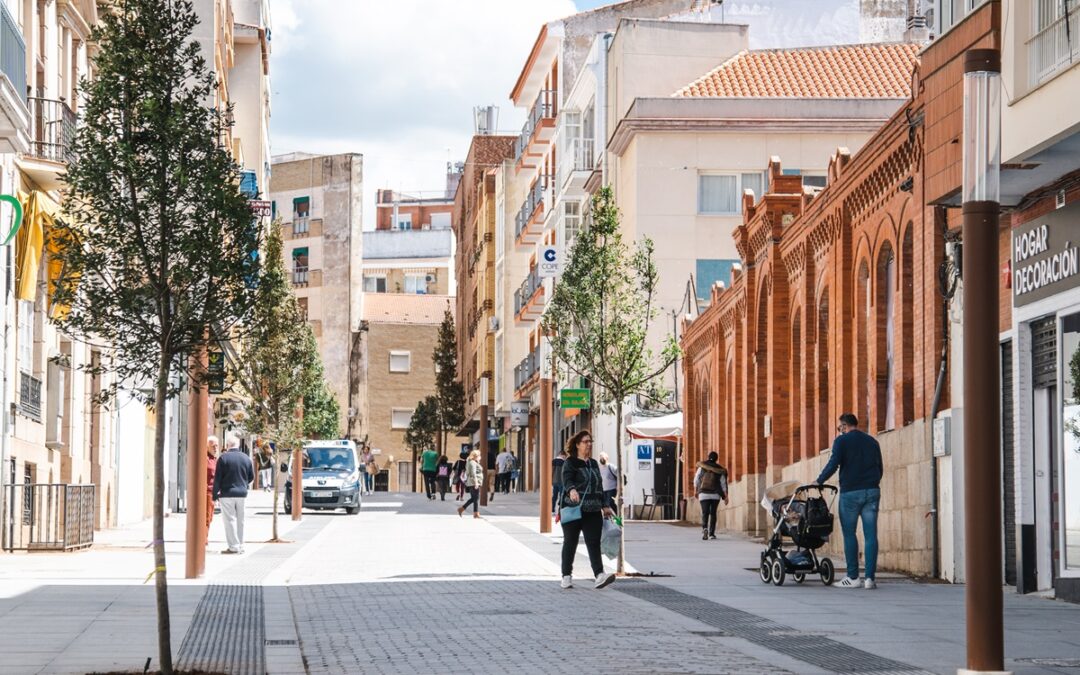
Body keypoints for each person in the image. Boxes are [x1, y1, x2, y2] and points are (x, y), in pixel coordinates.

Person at [816, 413, 884, 589]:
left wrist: (819, 481)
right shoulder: (872, 441)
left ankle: (853, 577)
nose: (840, 431)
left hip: (850, 493)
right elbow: (880, 467)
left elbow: (833, 463)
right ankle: (870, 579)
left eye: (840, 428)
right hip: (872, 491)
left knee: (849, 533)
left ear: (845, 426)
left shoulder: (842, 441)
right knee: (871, 535)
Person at [559, 430, 616, 590]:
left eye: (590, 441)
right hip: (573, 509)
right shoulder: (570, 462)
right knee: (571, 542)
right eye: (585, 441)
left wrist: (605, 505)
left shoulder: (593, 463)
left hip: (593, 510)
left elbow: (600, 486)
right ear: (577, 444)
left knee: (593, 543)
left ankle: (599, 575)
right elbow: (567, 479)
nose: (589, 444)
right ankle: (566, 576)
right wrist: (571, 490)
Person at [212, 432, 254, 555]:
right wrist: (243, 484)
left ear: (227, 445)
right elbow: (251, 477)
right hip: (242, 493)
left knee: (230, 520)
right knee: (241, 520)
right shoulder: (246, 458)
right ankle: (241, 545)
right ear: (238, 445)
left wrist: (215, 495)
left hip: (227, 494)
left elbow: (217, 478)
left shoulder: (223, 458)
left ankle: (233, 547)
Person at [694, 451, 729, 540]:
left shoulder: (701, 467)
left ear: (708, 457)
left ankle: (704, 528)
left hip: (703, 493)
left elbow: (696, 480)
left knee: (705, 512)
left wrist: (696, 491)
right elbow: (723, 484)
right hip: (715, 494)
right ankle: (711, 534)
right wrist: (725, 496)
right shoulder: (720, 469)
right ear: (716, 459)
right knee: (713, 513)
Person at [456, 448, 485, 519]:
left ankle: (463, 509)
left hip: (472, 482)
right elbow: (473, 473)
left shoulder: (471, 462)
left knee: (474, 498)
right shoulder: (472, 462)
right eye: (479, 456)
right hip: (473, 482)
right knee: (475, 498)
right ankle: (475, 513)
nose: (480, 457)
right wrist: (476, 483)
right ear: (476, 456)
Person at [205, 436, 220, 546]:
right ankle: (203, 540)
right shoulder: (205, 458)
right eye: (213, 446)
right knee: (206, 517)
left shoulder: (214, 459)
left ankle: (204, 537)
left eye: (217, 446)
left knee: (210, 517)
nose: (215, 448)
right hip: (206, 492)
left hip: (212, 492)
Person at [552, 447, 567, 515]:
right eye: (565, 456)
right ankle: (560, 509)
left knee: (554, 496)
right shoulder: (564, 462)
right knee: (561, 496)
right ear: (563, 455)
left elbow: (551, 471)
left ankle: (552, 509)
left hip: (554, 481)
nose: (565, 457)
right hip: (562, 482)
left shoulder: (553, 461)